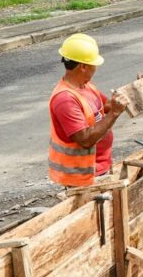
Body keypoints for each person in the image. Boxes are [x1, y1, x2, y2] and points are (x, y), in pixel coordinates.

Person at [48, 34, 127, 187]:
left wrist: (136, 87)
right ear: (83, 66)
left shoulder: (86, 86)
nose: (96, 68)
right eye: (94, 64)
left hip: (99, 170)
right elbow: (86, 140)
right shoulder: (65, 99)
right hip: (83, 179)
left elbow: (107, 106)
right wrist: (115, 113)